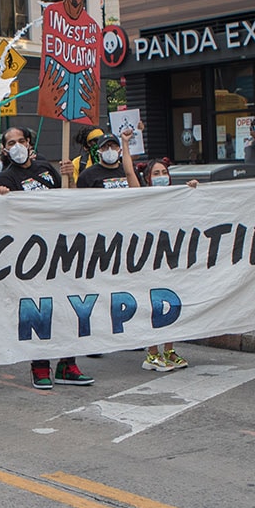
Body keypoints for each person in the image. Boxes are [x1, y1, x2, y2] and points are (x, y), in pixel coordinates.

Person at [0, 127, 95, 389]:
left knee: (66, 307)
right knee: (39, 310)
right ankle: (39, 366)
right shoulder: (6, 177)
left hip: (60, 248)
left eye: (21, 141)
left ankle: (67, 364)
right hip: (31, 254)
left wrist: (69, 179)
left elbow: (65, 202)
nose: (17, 146)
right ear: (4, 149)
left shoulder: (45, 169)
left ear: (29, 143)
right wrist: (2, 199)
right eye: (11, 143)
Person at [138, 160, 193, 371]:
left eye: (164, 172)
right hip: (149, 258)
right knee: (153, 305)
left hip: (172, 258)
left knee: (174, 304)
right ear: (148, 178)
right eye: (156, 172)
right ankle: (152, 353)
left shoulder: (177, 195)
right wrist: (125, 143)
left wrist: (193, 192)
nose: (161, 175)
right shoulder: (141, 197)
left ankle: (169, 350)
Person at [75, 133, 140, 189]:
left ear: (120, 151)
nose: (109, 149)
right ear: (98, 152)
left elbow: (141, 192)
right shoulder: (87, 175)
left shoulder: (131, 171)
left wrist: (125, 142)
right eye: (105, 147)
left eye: (113, 146)